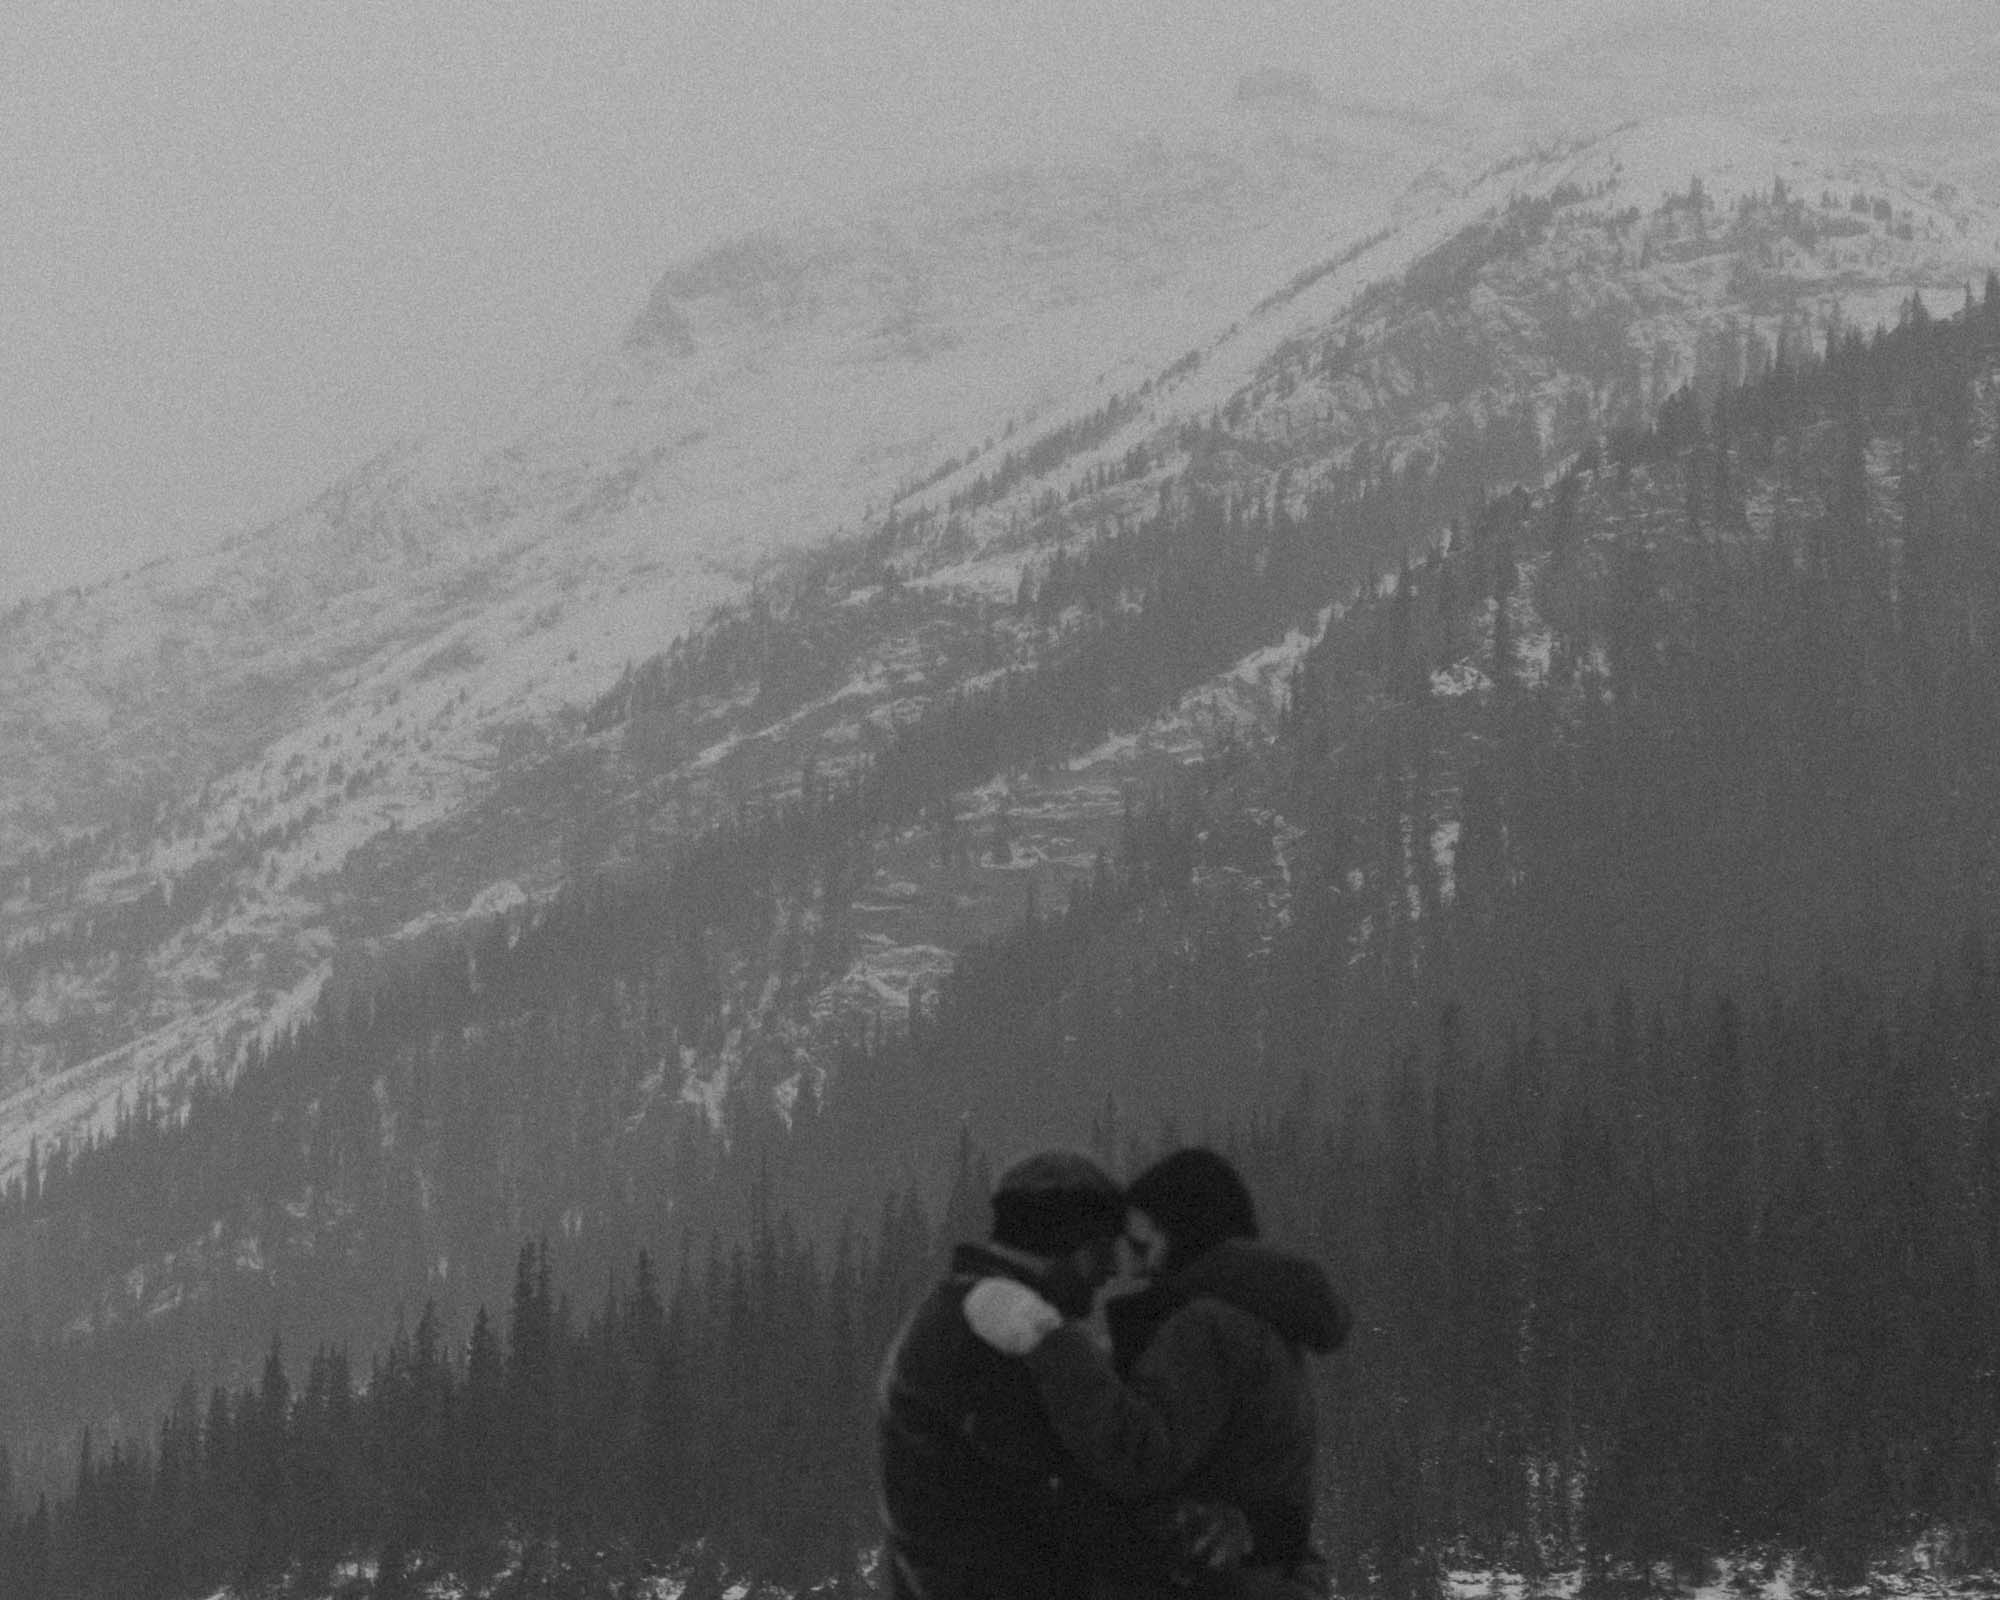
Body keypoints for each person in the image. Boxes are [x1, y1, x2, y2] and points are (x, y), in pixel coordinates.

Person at [965, 1147, 1350, 1598]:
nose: (1135, 1265)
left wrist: (1049, 1341)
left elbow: (1138, 1455)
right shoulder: (1264, 1320)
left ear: (1186, 1233)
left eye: (1144, 1244)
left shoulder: (1206, 1326)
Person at [875, 1148, 1134, 1600]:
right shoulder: (996, 1336)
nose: (1112, 1270)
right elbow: (1061, 1492)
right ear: (1063, 1242)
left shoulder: (958, 1316)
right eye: (1101, 1250)